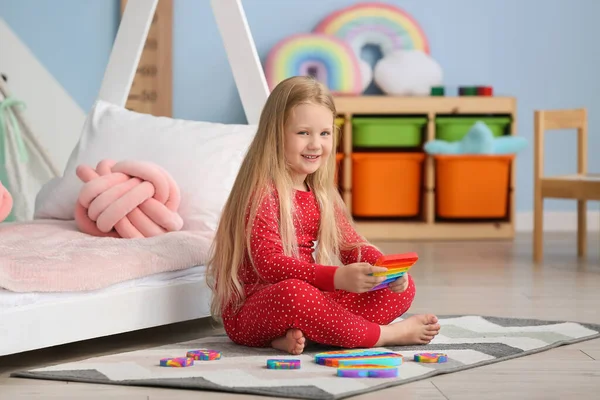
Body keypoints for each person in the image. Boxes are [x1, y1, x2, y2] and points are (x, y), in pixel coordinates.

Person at [206, 76, 440, 355]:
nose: (315, 144)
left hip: (309, 302)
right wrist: (337, 278)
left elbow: (351, 246)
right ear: (275, 134)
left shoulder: (319, 193)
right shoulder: (261, 191)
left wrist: (383, 271)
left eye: (324, 134)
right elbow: (269, 264)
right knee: (295, 293)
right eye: (303, 133)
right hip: (254, 310)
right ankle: (384, 336)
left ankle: (312, 334)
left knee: (402, 289)